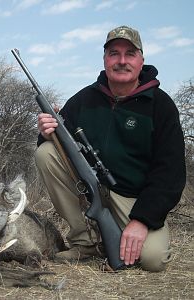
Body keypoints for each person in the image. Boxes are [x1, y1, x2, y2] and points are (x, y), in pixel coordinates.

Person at [35, 25, 186, 272]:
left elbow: (170, 174)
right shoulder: (83, 99)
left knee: (153, 260)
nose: (122, 61)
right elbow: (58, 148)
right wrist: (46, 133)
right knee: (46, 153)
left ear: (141, 61)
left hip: (134, 199)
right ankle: (84, 242)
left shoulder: (162, 105)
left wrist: (142, 220)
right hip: (92, 188)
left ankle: (119, 232)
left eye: (130, 54)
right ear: (105, 59)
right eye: (114, 53)